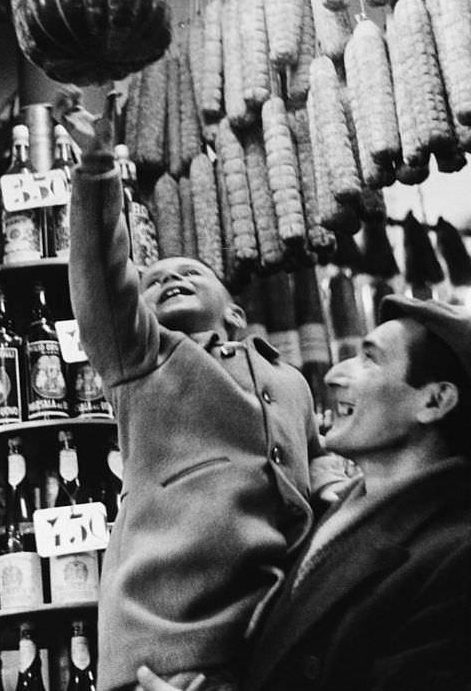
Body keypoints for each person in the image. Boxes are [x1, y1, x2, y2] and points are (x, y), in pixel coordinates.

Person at [53, 89, 345, 691]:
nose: (173, 278)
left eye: (191, 273)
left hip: (270, 631)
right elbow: (102, 280)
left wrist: (343, 492)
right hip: (166, 639)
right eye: (154, 281)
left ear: (235, 314)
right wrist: (97, 170)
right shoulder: (143, 361)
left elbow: (317, 462)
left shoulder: (288, 379)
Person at [135, 293, 471, 691]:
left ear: (434, 400)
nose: (334, 376)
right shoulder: (332, 518)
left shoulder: (455, 560)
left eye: (370, 359)